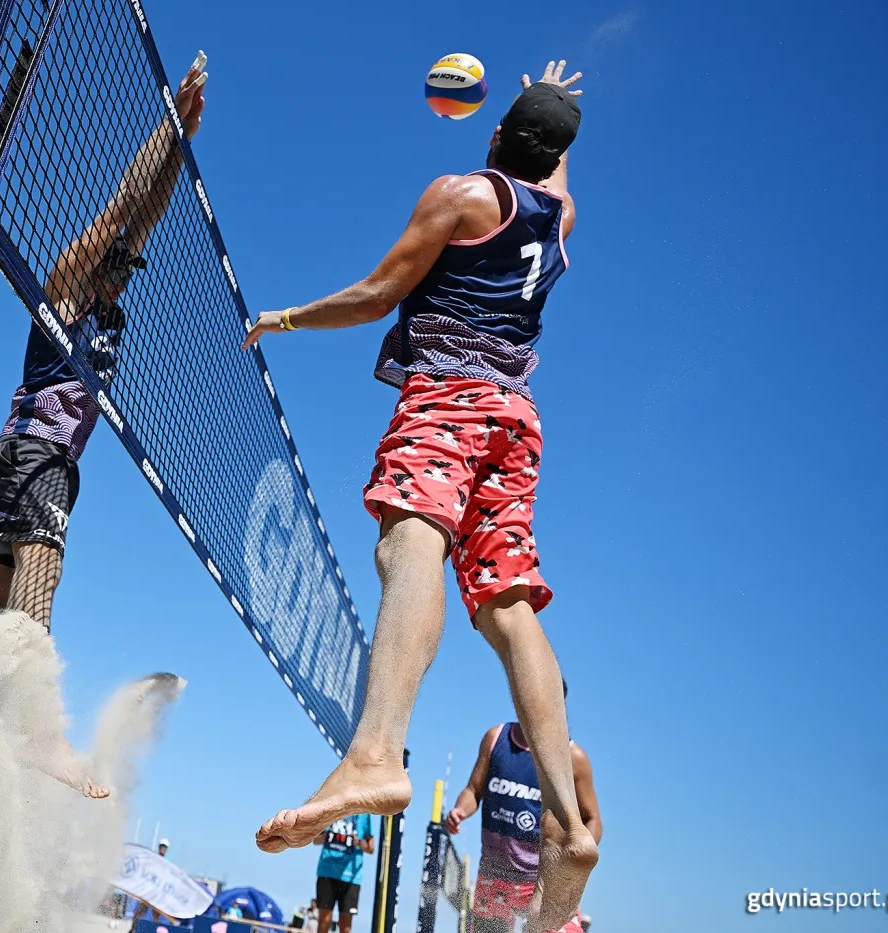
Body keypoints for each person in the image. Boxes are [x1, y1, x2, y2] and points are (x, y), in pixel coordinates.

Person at [243, 60, 597, 932]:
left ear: (494, 137)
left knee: (411, 542)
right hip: (517, 416)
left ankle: (374, 754)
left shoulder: (462, 194)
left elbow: (376, 295)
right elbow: (553, 169)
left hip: (450, 395)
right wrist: (557, 111)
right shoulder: (561, 220)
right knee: (509, 602)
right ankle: (570, 818)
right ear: (553, 154)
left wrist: (283, 318)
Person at [0, 53, 210, 801]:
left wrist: (183, 144)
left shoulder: (111, 298)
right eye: (117, 262)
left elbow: (147, 215)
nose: (126, 270)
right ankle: (39, 729)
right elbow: (123, 208)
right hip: (36, 449)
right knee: (43, 560)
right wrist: (165, 127)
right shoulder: (64, 287)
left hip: (34, 454)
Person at [444, 683, 602, 933]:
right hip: (495, 875)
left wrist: (574, 855)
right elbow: (474, 790)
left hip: (545, 880)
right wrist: (459, 811)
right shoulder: (495, 738)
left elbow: (592, 818)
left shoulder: (573, 757)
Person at [313, 816, 373, 933]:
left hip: (351, 876)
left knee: (345, 925)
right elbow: (315, 840)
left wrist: (359, 842)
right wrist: (327, 837)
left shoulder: (364, 814)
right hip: (327, 871)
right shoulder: (331, 805)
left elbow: (371, 848)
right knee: (325, 920)